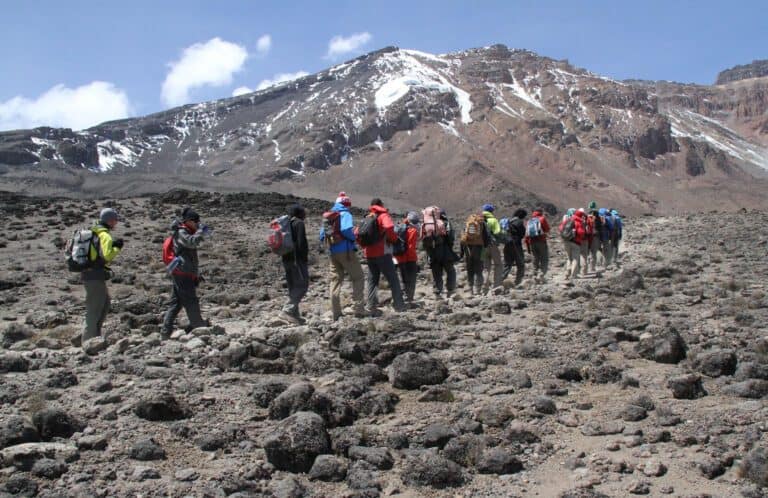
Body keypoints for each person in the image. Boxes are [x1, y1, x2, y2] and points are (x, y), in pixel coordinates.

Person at [162, 207, 211, 335]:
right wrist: (200, 231)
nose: (197, 222)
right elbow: (192, 243)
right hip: (182, 273)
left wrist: (196, 273)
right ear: (188, 221)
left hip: (183, 271)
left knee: (176, 303)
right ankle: (198, 325)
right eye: (195, 220)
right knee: (191, 300)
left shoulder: (186, 231)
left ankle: (165, 332)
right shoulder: (182, 232)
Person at [321, 194, 366, 321]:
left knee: (335, 280)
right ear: (347, 204)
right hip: (346, 251)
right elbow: (346, 230)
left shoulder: (328, 216)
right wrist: (354, 238)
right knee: (358, 277)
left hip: (332, 251)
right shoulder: (345, 214)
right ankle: (358, 309)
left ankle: (336, 312)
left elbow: (321, 235)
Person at [81, 208, 123, 345]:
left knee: (104, 303)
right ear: (110, 220)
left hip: (90, 273)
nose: (116, 222)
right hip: (94, 274)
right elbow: (107, 256)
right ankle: (89, 342)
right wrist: (117, 247)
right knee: (95, 307)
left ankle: (94, 337)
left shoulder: (94, 231)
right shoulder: (104, 234)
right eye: (115, 219)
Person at [360, 198, 406, 313]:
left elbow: (358, 233)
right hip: (382, 253)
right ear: (381, 205)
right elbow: (389, 227)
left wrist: (364, 247)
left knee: (372, 280)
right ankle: (399, 305)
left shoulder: (368, 217)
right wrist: (394, 239)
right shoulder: (383, 215)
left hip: (369, 254)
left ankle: (371, 305)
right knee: (393, 279)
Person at [279, 204, 309, 324]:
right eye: (303, 212)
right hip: (297, 260)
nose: (305, 214)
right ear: (299, 213)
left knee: (293, 286)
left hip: (286, 258)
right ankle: (287, 310)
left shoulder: (287, 224)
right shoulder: (299, 223)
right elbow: (301, 243)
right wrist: (304, 258)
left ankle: (295, 315)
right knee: (302, 285)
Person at [426, 209, 457, 298]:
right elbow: (451, 238)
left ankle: (437, 292)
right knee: (450, 271)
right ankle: (450, 291)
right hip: (445, 252)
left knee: (436, 272)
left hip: (433, 253)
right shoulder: (446, 223)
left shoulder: (429, 225)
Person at [395, 211, 421, 306]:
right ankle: (409, 299)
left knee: (401, 278)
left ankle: (400, 298)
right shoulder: (413, 231)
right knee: (411, 279)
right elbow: (411, 247)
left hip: (399, 257)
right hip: (410, 258)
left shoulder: (398, 227)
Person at [460, 211, 487, 296]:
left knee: (470, 269)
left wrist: (462, 253)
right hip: (480, 249)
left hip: (468, 249)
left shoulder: (467, 225)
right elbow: (487, 238)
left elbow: (462, 240)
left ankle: (470, 289)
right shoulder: (482, 225)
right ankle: (478, 289)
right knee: (479, 269)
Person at [481, 203, 503, 291]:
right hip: (492, 244)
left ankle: (484, 286)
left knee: (486, 267)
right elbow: (498, 232)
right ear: (491, 211)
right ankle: (496, 285)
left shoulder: (479, 220)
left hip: (482, 247)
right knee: (498, 264)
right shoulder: (493, 220)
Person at [560, 208, 586, 280]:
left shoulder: (568, 220)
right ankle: (573, 275)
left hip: (566, 241)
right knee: (575, 259)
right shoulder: (579, 222)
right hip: (575, 242)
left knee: (569, 258)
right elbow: (581, 233)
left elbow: (561, 228)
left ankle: (567, 272)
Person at [524, 208, 550, 281]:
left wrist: (528, 246)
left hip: (532, 242)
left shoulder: (529, 221)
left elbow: (526, 235)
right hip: (541, 241)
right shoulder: (542, 219)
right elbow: (547, 229)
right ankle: (541, 274)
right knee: (544, 258)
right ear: (541, 212)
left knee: (535, 258)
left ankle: (534, 274)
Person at [502, 208, 527, 286]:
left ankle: (500, 280)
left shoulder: (509, 221)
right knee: (521, 264)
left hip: (507, 244)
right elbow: (522, 234)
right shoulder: (519, 222)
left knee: (507, 264)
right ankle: (518, 282)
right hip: (516, 245)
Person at [586, 206, 603, 272]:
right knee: (593, 253)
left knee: (587, 252)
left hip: (588, 237)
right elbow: (600, 229)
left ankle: (586, 266)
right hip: (595, 237)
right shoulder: (598, 219)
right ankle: (592, 267)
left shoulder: (587, 218)